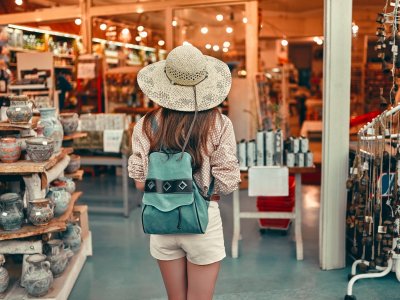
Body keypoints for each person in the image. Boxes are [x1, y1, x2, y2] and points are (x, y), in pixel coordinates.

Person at [128, 45, 240, 300]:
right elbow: (227, 183)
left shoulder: (146, 124)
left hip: (161, 221)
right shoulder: (218, 123)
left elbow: (139, 182)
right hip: (201, 220)